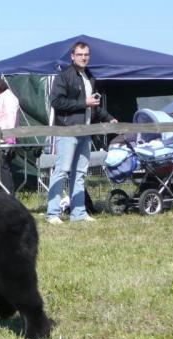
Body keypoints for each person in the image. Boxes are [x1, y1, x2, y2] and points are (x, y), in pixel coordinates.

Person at [46, 41, 117, 224]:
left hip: (86, 132)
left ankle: (78, 213)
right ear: (72, 56)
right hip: (67, 131)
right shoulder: (64, 76)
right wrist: (83, 103)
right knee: (62, 171)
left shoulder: (90, 76)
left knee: (80, 173)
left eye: (86, 55)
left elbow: (93, 106)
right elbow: (56, 102)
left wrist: (108, 117)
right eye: (80, 54)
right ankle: (53, 214)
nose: (83, 58)